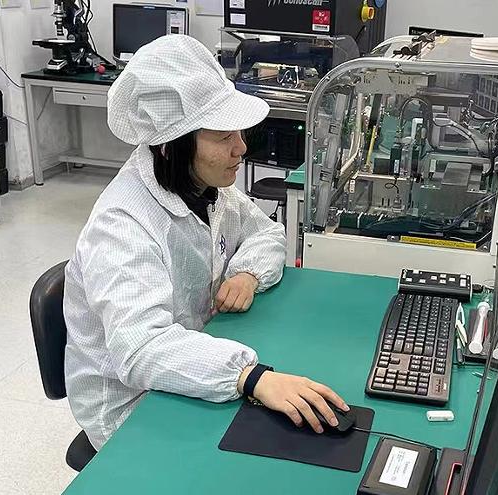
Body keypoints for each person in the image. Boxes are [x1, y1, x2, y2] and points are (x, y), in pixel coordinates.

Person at [63, 35, 347, 451]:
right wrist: (249, 377)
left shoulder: (205, 187)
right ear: (170, 144)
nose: (241, 148)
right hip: (131, 407)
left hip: (197, 355)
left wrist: (247, 274)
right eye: (223, 136)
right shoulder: (121, 226)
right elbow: (140, 349)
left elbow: (267, 233)